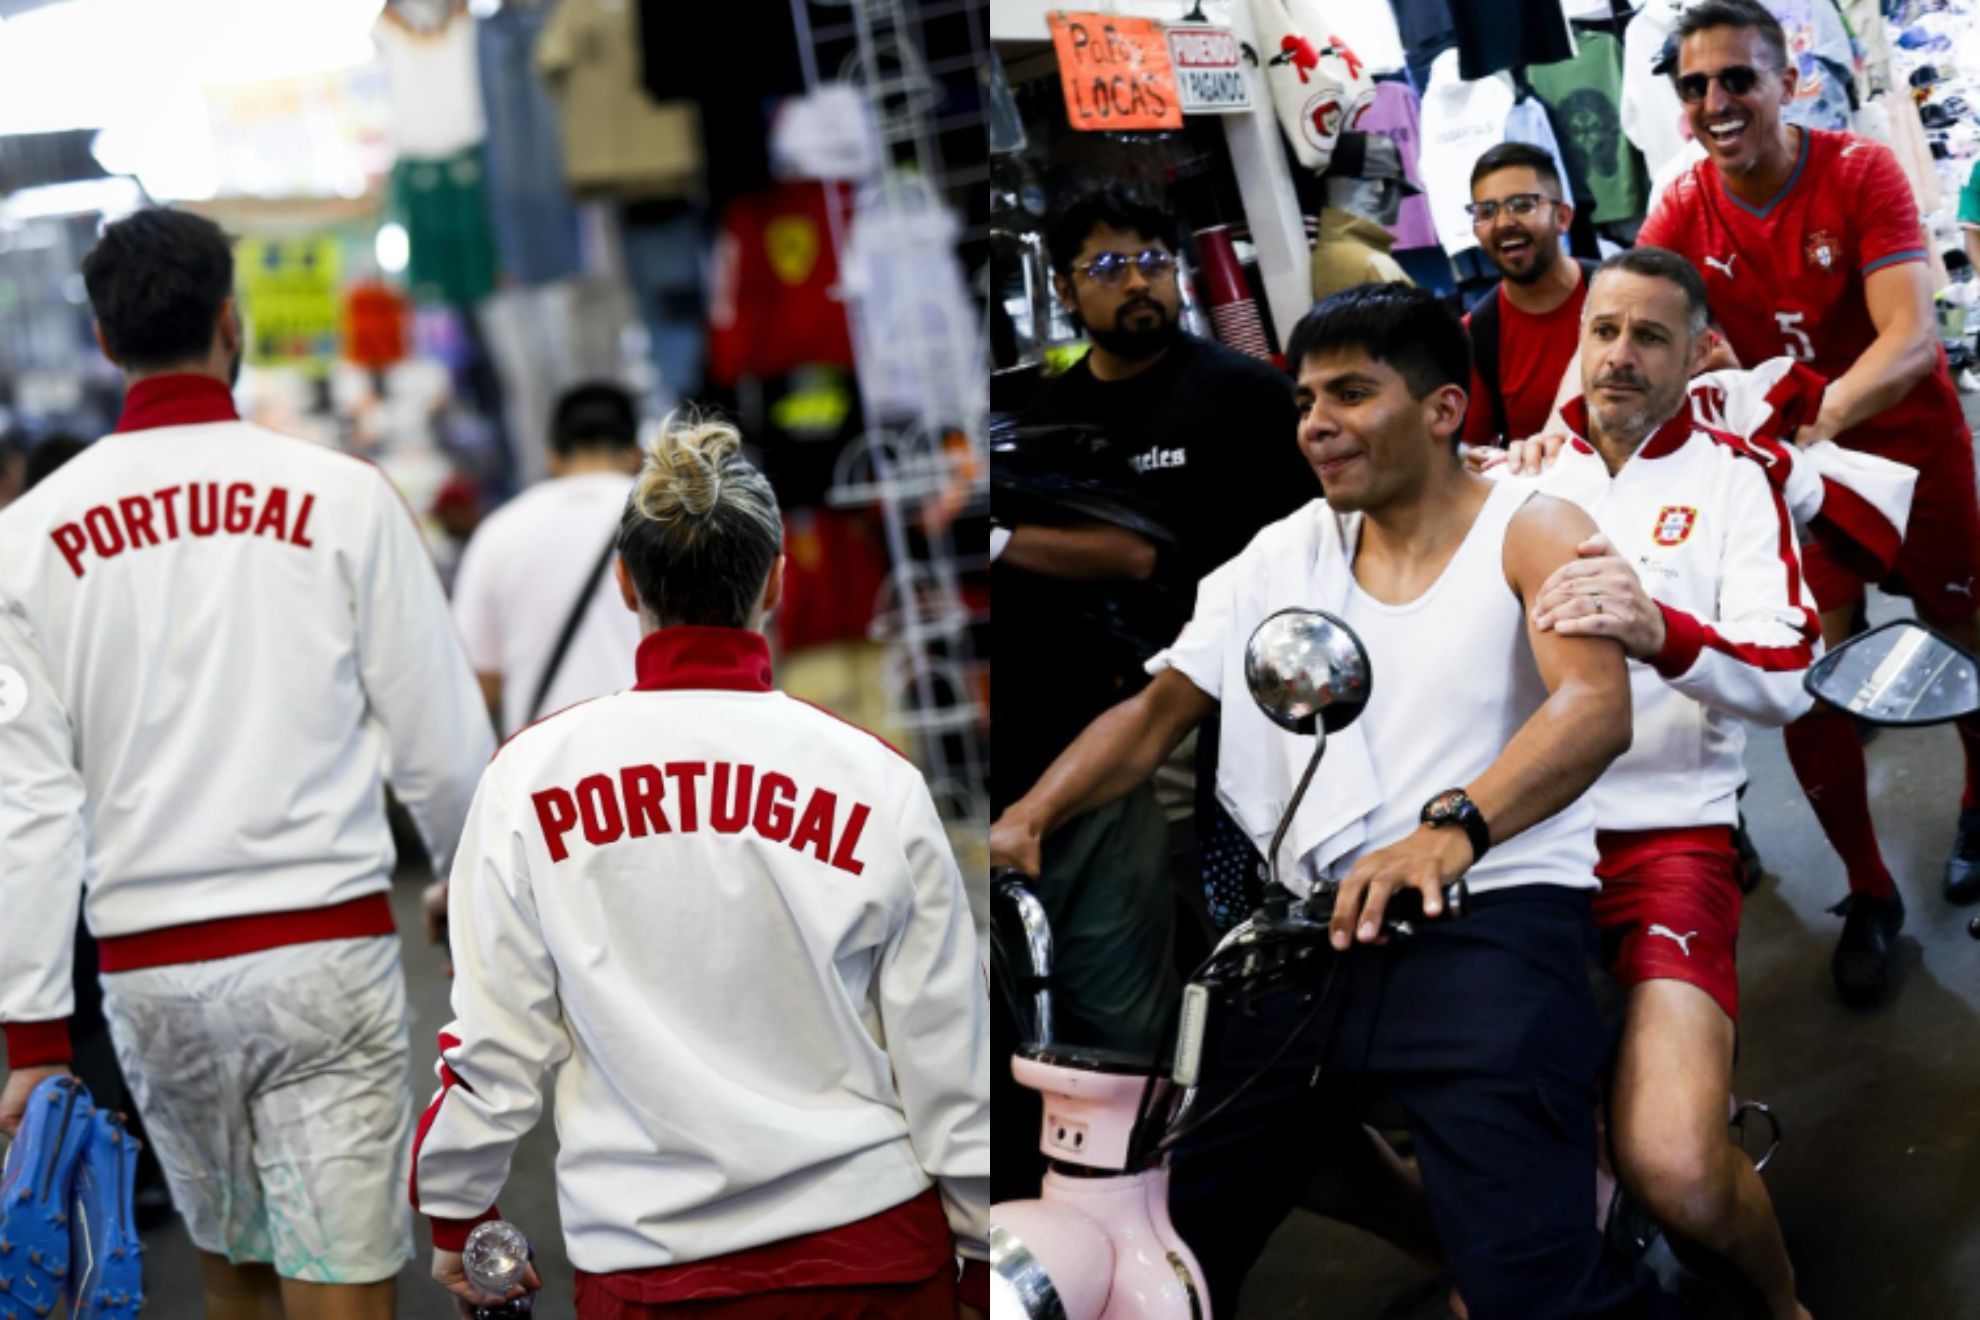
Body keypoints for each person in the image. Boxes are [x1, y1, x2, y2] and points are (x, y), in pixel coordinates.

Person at [993, 283, 1671, 1319]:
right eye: (1306, 399)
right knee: (1170, 1228)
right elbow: (1155, 712)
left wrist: (1452, 830)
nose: (1316, 423)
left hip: (1489, 915)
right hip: (1308, 934)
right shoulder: (1283, 553)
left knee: (1535, 1294)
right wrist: (1027, 820)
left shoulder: (1533, 531)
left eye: (1351, 394)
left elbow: (1592, 706)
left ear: (1442, 409)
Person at [0, 207, 494, 1318]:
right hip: (323, 951)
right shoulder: (344, 497)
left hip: (150, 972)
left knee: (235, 1277)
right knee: (341, 1282)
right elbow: (440, 740)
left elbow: (25, 808)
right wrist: (467, 888)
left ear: (103, 339)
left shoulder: (24, 542)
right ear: (233, 322)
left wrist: (32, 1037)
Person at [412, 413, 989, 1319]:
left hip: (650, 1267)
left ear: (624, 582)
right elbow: (950, 1049)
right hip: (874, 1257)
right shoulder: (878, 780)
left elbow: (495, 1040)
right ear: (777, 581)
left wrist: (459, 1214)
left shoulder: (529, 778)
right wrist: (983, 1250)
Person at [1635, 0, 1980, 1007]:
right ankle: (1869, 890)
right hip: (1796, 475)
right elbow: (1630, 317)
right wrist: (1570, 423)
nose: (1715, 101)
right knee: (1812, 671)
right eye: (1694, 86)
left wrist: (1806, 423)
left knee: (1962, 636)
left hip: (1909, 454)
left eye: (1738, 78)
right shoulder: (1681, 205)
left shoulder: (1860, 171)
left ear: (1789, 82)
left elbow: (1910, 337)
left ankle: (1978, 799)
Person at [1522, 248, 1839, 1320]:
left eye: (1650, 336)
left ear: (1699, 351)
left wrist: (1663, 632)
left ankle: (1784, 1305)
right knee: (1501, 1164)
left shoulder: (1734, 479)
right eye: (1604, 331)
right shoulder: (1513, 483)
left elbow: (1789, 675)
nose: (1620, 355)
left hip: (1669, 842)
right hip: (1518, 843)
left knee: (1681, 1170)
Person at [994, 182, 1311, 1059]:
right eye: (1107, 265)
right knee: (1167, 931)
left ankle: (1293, 1073)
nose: (1137, 281)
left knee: (1264, 916)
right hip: (1123, 718)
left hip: (1254, 701)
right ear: (1064, 289)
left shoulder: (1248, 393)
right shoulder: (1049, 423)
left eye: (1152, 260)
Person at [450, 381, 647, 739]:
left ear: (553, 457)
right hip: (651, 755)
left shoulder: (499, 532)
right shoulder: (665, 523)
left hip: (543, 758)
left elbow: (478, 684)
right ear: (637, 454)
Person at [1461, 142, 1592, 447]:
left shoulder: (1621, 294)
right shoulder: (1477, 336)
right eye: (1487, 211)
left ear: (1563, 217)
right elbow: (1470, 455)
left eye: (1522, 206)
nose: (1504, 223)